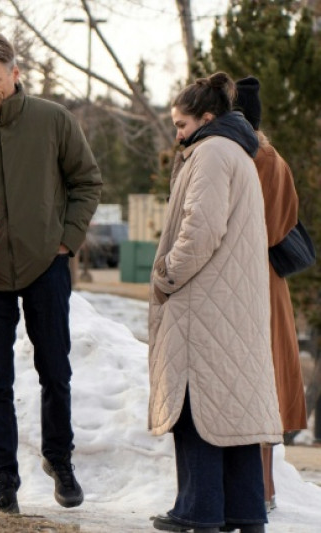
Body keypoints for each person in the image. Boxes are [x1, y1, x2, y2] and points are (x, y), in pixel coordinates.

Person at [0, 33, 102, 512]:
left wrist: (65, 241)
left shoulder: (53, 120)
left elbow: (87, 182)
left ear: (15, 73)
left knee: (55, 370)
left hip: (45, 268)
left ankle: (60, 460)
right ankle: (3, 479)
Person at [148, 72, 282, 533]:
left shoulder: (209, 153)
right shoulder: (238, 154)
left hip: (202, 305)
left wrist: (166, 274)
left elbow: (200, 230)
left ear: (206, 118)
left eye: (181, 125)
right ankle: (244, 513)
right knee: (232, 416)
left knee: (195, 408)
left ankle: (197, 510)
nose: (177, 134)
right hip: (232, 305)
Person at [234, 75, 308, 513]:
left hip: (251, 281)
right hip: (267, 281)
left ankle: (259, 492)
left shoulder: (252, 158)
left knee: (254, 383)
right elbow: (285, 223)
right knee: (264, 385)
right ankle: (263, 491)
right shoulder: (271, 158)